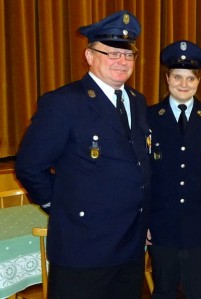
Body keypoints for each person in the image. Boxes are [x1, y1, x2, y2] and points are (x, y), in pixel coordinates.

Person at [15, 10, 151, 298]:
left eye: (128, 55)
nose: (121, 62)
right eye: (111, 53)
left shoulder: (137, 101)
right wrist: (60, 205)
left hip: (130, 243)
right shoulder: (63, 103)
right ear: (89, 56)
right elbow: (30, 165)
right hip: (84, 245)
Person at [146, 40, 201, 299]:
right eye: (177, 77)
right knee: (164, 290)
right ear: (167, 78)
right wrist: (144, 220)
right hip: (162, 223)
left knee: (199, 291)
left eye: (191, 78)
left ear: (198, 81)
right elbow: (143, 175)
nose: (184, 84)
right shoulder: (148, 117)